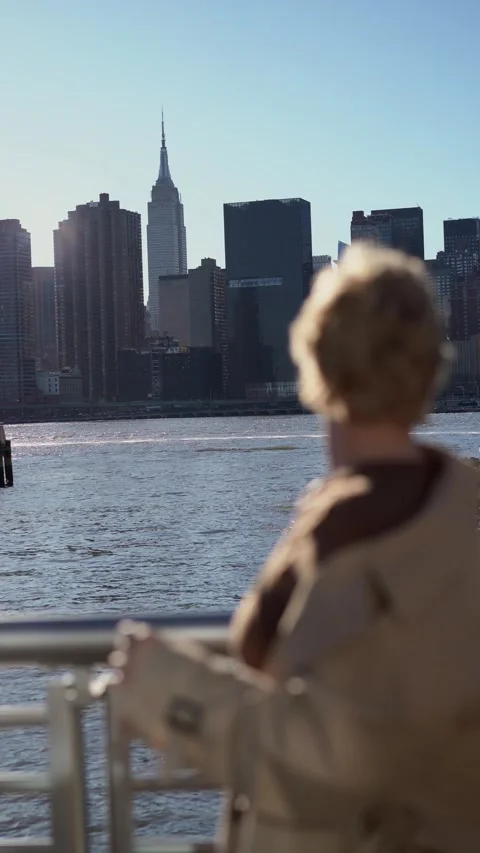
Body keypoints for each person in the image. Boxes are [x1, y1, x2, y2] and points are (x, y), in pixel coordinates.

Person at [109, 244, 480, 853]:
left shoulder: (378, 534)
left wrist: (168, 687)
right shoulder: (428, 514)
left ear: (318, 364)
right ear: (425, 369)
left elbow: (331, 764)